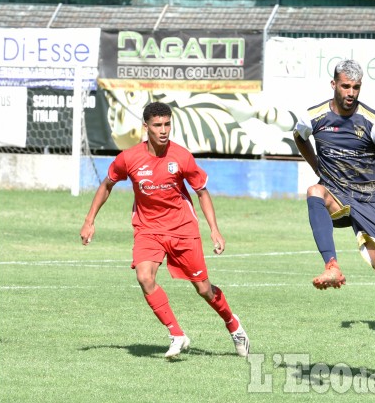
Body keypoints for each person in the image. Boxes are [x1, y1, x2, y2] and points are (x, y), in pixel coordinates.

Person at [80, 101, 250, 359]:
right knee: (144, 277)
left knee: (204, 289)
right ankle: (177, 334)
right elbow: (107, 185)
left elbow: (202, 192)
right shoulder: (129, 158)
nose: (163, 130)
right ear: (145, 126)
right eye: (157, 125)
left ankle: (233, 324)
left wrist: (214, 230)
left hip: (183, 229)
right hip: (148, 229)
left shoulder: (181, 156)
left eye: (167, 124)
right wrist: (90, 220)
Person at [293, 59, 375, 381]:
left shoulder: (373, 122)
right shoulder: (315, 116)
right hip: (336, 194)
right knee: (313, 190)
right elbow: (299, 136)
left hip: (369, 200)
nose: (350, 93)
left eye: (356, 87)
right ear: (334, 85)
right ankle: (331, 264)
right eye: (345, 86)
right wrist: (318, 165)